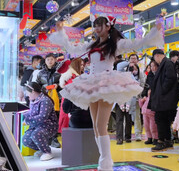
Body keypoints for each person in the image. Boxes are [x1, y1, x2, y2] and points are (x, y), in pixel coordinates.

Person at [49, 16, 163, 170]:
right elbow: (72, 48)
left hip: (108, 84)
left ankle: (106, 163)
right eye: (95, 26)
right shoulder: (91, 44)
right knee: (96, 126)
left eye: (99, 26)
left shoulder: (116, 44)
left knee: (100, 125)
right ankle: (104, 161)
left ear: (108, 27)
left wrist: (155, 30)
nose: (96, 29)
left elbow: (138, 43)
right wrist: (61, 31)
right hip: (92, 83)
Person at [148, 49, 179, 152]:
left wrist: (161, 91)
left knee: (160, 119)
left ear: (157, 56)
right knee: (164, 120)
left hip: (165, 98)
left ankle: (162, 141)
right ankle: (167, 140)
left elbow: (170, 79)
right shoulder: (165, 63)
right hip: (163, 98)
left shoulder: (167, 63)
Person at [22, 82, 58, 161]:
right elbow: (32, 113)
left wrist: (28, 120)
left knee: (36, 134)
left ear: (33, 92)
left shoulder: (45, 100)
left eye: (28, 93)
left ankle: (47, 152)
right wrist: (23, 115)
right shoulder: (33, 101)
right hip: (37, 125)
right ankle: (42, 148)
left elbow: (43, 117)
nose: (27, 95)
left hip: (49, 126)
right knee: (25, 140)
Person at [36, 53, 62, 148]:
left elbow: (64, 83)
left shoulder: (60, 71)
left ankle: (54, 138)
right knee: (46, 119)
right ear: (45, 61)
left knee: (56, 118)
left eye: (51, 59)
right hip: (45, 99)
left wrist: (58, 86)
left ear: (55, 60)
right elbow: (37, 85)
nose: (50, 61)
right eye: (48, 59)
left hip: (57, 98)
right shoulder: (41, 73)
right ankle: (47, 138)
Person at [117, 54, 145, 141]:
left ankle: (138, 134)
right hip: (126, 97)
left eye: (135, 59)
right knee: (126, 118)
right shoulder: (124, 70)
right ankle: (126, 135)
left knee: (137, 116)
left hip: (136, 97)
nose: (133, 60)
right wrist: (128, 65)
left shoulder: (140, 71)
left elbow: (143, 83)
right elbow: (119, 67)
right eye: (131, 59)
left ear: (137, 60)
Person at [58, 58, 84, 134]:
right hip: (70, 101)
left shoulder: (79, 75)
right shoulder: (70, 77)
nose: (82, 66)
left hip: (76, 101)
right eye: (80, 65)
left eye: (83, 65)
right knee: (66, 119)